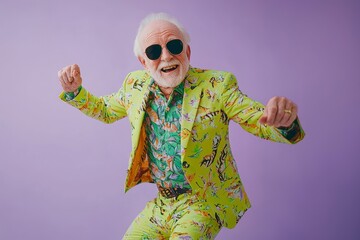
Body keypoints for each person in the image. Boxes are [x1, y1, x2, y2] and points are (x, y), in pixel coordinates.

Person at [58, 12, 305, 240]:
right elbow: (105, 110)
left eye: (174, 46)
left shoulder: (217, 85)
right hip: (161, 204)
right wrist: (75, 92)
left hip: (204, 202)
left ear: (187, 52)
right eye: (154, 51)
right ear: (143, 61)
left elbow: (258, 120)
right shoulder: (134, 85)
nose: (166, 56)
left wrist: (284, 122)